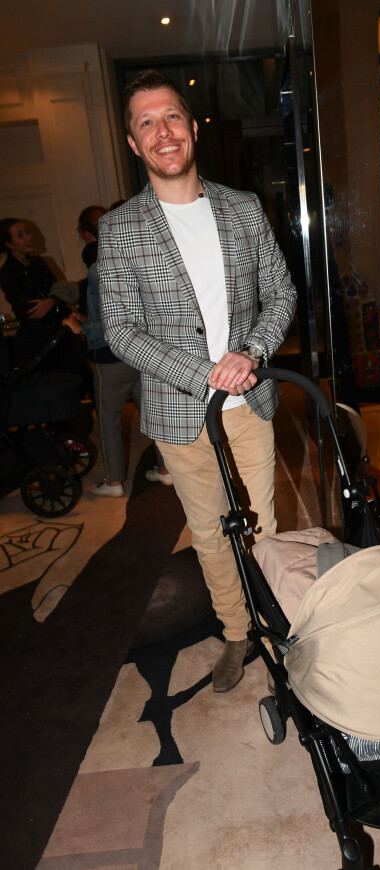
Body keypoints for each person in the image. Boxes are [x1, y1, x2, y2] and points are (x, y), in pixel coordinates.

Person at [98, 69, 297, 692]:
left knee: (262, 526)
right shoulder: (121, 227)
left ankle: (279, 624)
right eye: (146, 122)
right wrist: (201, 371)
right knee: (210, 532)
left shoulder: (242, 208)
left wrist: (253, 351)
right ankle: (236, 632)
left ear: (191, 126)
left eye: (172, 117)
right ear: (134, 143)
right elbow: (123, 331)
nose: (163, 132)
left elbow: (280, 293)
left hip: (248, 401)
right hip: (178, 412)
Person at [63, 205, 171, 496]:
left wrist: (80, 328)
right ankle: (165, 469)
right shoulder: (134, 257)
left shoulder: (99, 268)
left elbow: (112, 322)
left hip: (110, 355)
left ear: (88, 234)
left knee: (108, 419)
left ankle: (113, 482)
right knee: (151, 413)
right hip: (140, 351)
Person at [0, 218, 80, 372]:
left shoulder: (40, 263)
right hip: (38, 340)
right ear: (9, 244)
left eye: (27, 232)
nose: (28, 237)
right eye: (20, 235)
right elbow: (33, 310)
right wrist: (54, 300)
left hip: (62, 331)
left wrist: (52, 300)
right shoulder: (7, 273)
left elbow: (61, 291)